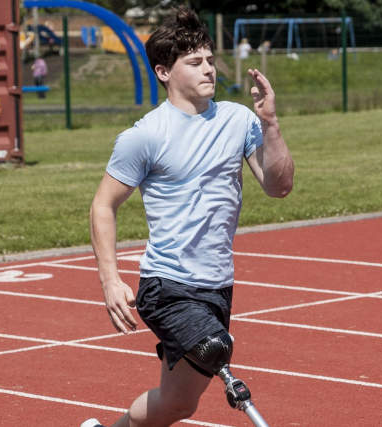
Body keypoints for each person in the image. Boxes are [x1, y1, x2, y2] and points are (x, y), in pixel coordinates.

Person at [83, 5, 294, 427]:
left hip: (217, 284)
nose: (208, 70)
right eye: (194, 62)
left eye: (211, 61)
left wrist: (269, 123)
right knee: (216, 348)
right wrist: (110, 280)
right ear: (164, 72)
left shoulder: (238, 120)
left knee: (178, 404)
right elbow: (103, 205)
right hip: (167, 285)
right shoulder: (144, 136)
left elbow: (279, 186)